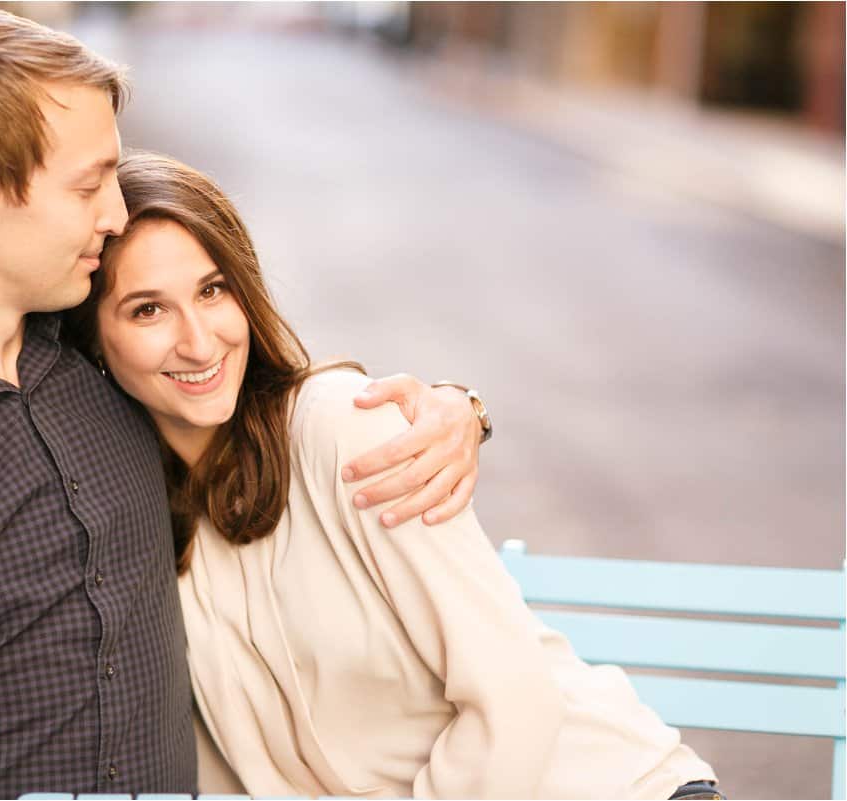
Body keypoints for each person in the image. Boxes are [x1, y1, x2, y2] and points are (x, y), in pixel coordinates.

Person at [0, 8, 489, 799]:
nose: (115, 215)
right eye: (88, 185)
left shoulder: (104, 353)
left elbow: (257, 400)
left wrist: (450, 409)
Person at [65, 151, 722, 800]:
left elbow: (513, 698)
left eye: (213, 290)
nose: (200, 342)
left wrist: (466, 407)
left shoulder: (347, 431)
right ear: (95, 339)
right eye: (148, 309)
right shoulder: (135, 512)